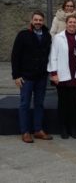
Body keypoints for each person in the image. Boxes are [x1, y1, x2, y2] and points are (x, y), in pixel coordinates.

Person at [11, 10, 53, 143]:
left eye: (40, 20)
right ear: (31, 21)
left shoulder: (47, 35)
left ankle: (38, 130)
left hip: (41, 77)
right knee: (24, 104)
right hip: (26, 76)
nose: (38, 22)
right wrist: (16, 75)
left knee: (39, 104)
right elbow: (15, 56)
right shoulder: (23, 35)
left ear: (43, 21)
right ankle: (25, 132)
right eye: (36, 20)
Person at [48, 15, 76, 139]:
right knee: (63, 104)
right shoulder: (58, 38)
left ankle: (73, 128)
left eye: (74, 22)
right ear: (66, 23)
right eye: (70, 22)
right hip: (62, 76)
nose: (72, 24)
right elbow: (53, 56)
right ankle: (63, 128)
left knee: (74, 105)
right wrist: (54, 74)